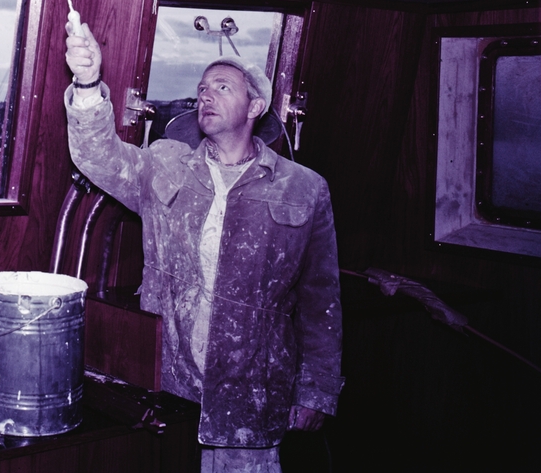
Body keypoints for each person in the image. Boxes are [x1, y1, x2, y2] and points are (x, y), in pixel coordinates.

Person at [64, 24, 343, 472]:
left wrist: (317, 391)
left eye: (222, 86)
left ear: (255, 106)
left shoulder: (304, 188)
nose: (206, 95)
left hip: (251, 395)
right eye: (201, 89)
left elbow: (320, 299)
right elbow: (98, 156)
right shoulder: (165, 165)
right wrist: (87, 82)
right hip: (168, 387)